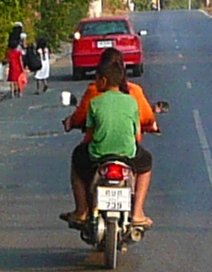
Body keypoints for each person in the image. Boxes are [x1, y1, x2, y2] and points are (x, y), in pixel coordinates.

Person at [64, 56, 158, 231]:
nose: (95, 82)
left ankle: (82, 210)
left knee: (77, 158)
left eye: (96, 78)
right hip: (127, 155)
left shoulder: (95, 102)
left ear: (104, 80)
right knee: (147, 162)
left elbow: (90, 134)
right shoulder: (131, 101)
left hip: (98, 155)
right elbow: (136, 136)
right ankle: (137, 213)